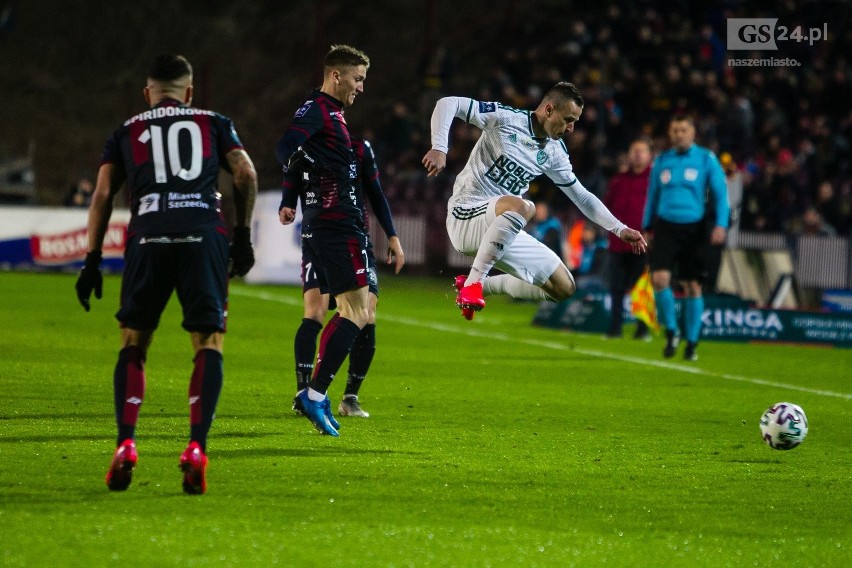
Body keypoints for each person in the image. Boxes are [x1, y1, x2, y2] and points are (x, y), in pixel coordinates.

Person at [74, 55, 258, 494]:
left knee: (133, 342)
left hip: (148, 236)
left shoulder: (126, 130)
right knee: (208, 342)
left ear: (148, 93)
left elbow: (102, 195)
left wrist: (92, 260)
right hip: (202, 235)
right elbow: (246, 172)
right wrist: (243, 235)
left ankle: (125, 443)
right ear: (189, 92)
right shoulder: (214, 121)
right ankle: (196, 447)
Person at [421, 82, 646, 320]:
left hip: (500, 229)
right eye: (568, 119)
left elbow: (581, 196)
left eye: (575, 122)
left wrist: (619, 229)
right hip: (465, 217)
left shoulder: (554, 151)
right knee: (525, 206)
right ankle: (475, 283)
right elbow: (448, 103)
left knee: (563, 286)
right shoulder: (506, 119)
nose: (571, 128)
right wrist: (439, 147)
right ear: (549, 110)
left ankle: (480, 286)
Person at [277, 44, 382, 437]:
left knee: (350, 309)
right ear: (336, 75)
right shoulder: (318, 110)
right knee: (356, 311)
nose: (361, 87)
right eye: (358, 79)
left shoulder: (330, 114)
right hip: (337, 224)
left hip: (334, 223)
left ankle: (318, 395)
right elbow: (286, 145)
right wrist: (297, 174)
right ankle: (315, 395)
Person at [290, 135, 405, 419]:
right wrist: (286, 202)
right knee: (315, 310)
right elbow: (291, 182)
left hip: (354, 238)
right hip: (318, 238)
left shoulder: (359, 148)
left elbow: (375, 193)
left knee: (368, 311)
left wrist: (392, 235)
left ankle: (350, 397)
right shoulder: (304, 148)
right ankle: (305, 391)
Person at [642, 115, 729, 361]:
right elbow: (653, 195)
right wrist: (647, 226)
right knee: (660, 279)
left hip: (695, 229)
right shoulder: (662, 161)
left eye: (683, 130)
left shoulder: (705, 159)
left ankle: (692, 342)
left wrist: (721, 224)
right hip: (666, 227)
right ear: (671, 134)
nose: (679, 134)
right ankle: (671, 331)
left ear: (693, 133)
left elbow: (721, 195)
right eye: (675, 130)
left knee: (692, 286)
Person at [603, 138, 652, 339]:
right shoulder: (618, 180)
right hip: (618, 244)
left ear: (650, 156)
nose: (637, 154)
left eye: (641, 150)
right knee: (616, 287)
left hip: (643, 243)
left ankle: (642, 328)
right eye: (634, 150)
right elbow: (607, 207)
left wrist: (652, 232)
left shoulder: (654, 180)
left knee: (640, 287)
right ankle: (615, 328)